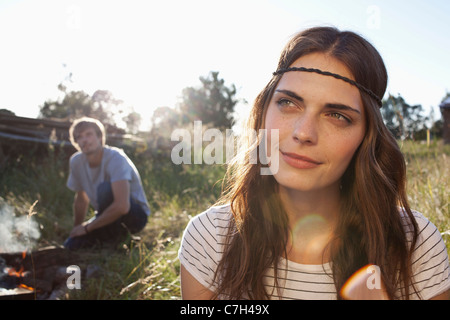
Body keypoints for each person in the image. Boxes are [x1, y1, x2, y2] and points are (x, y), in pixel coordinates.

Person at [178, 26, 450, 300]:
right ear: (263, 113)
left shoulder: (413, 245)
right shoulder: (210, 238)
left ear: (366, 137)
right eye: (288, 102)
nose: (304, 132)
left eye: (337, 115)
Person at [63, 117, 150, 250]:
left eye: (89, 134)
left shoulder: (116, 158)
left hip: (134, 215)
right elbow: (81, 199)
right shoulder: (76, 162)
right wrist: (77, 229)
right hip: (106, 214)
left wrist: (87, 228)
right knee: (71, 245)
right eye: (79, 137)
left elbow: (122, 206)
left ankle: (115, 242)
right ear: (76, 142)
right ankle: (112, 239)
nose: (84, 140)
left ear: (99, 137)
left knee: (105, 189)